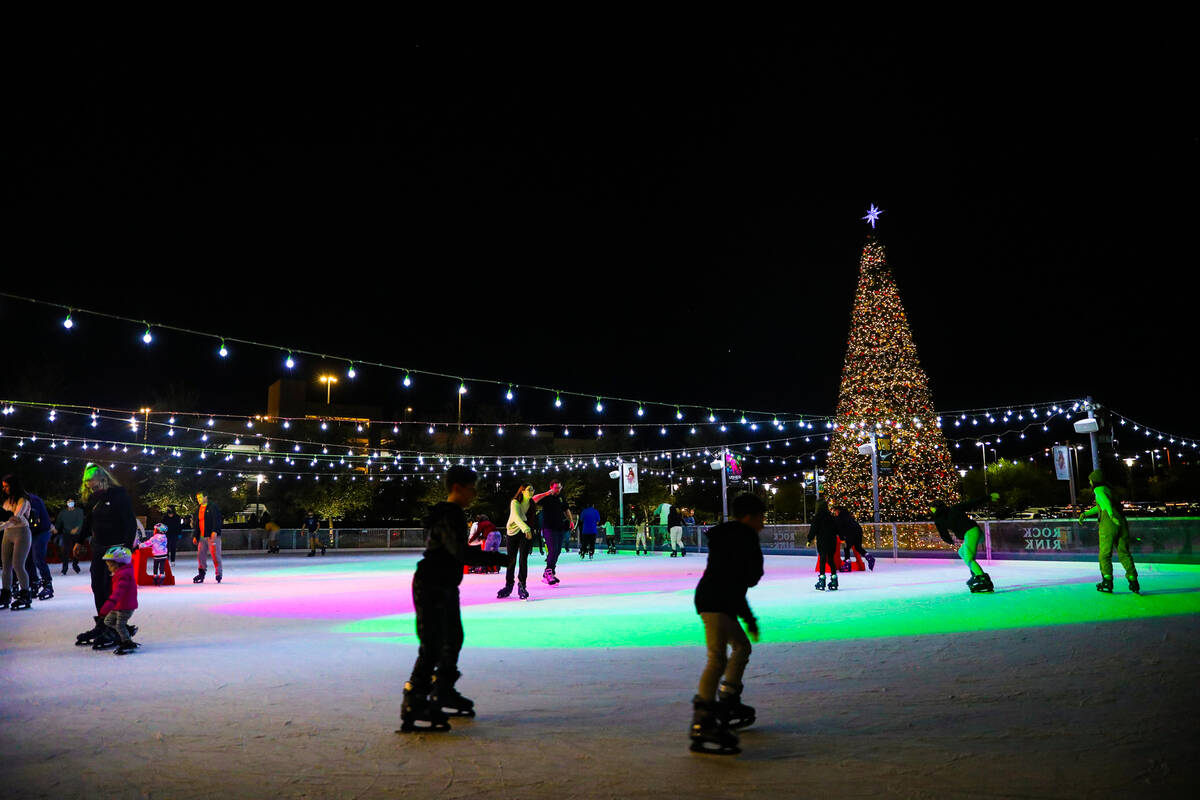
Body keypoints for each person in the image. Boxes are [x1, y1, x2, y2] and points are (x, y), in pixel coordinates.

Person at [400, 466, 508, 733]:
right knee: (433, 644)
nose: (475, 493)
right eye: (473, 487)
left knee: (452, 638)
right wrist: (498, 559)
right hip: (432, 583)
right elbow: (459, 553)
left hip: (443, 582)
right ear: (458, 487)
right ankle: (413, 701)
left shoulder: (451, 514)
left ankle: (443, 689)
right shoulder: (451, 515)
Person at [689, 493, 765, 756]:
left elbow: (738, 583)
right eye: (761, 517)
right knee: (717, 659)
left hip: (717, 600)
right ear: (750, 517)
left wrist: (749, 618)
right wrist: (749, 617)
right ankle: (704, 721)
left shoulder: (732, 536)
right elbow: (748, 578)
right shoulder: (744, 537)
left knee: (741, 647)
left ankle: (728, 698)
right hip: (716, 603)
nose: (763, 524)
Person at [74, 464, 138, 647]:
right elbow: (88, 521)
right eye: (85, 482)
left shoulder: (118, 494)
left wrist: (127, 548)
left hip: (116, 549)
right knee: (98, 586)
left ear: (102, 478)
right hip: (99, 547)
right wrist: (79, 541)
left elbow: (129, 522)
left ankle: (115, 627)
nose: (87, 485)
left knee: (112, 588)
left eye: (90, 481)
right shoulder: (93, 498)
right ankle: (104, 623)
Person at [1079, 470, 1140, 594]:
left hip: (1109, 524)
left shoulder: (1098, 490)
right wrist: (1086, 513)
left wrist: (1111, 516)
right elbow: (1101, 506)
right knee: (1124, 552)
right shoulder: (1109, 489)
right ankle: (1133, 579)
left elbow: (1105, 504)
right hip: (1122, 522)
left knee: (1105, 554)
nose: (1090, 482)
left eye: (1090, 480)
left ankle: (1107, 580)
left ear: (1094, 480)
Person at [931, 495, 995, 593]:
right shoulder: (954, 509)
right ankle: (975, 573)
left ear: (935, 509)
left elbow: (943, 533)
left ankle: (982, 579)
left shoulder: (939, 519)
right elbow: (972, 503)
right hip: (975, 531)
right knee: (962, 552)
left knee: (968, 558)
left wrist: (949, 541)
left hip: (970, 533)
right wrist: (988, 498)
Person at [97, 545, 139, 655]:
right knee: (108, 621)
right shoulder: (120, 573)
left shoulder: (124, 575)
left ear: (119, 564)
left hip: (125, 607)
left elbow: (117, 594)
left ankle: (127, 641)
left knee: (119, 625)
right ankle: (126, 631)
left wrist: (107, 607)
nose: (109, 567)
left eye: (110, 565)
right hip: (119, 606)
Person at [1, 474, 34, 610]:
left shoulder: (23, 500)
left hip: (22, 533)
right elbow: (5, 518)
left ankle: (25, 594)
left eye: (7, 486)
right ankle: (6, 594)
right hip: (7, 534)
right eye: (3, 487)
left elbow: (16, 518)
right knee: (6, 565)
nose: (5, 489)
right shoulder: (6, 501)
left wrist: (2, 526)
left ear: (13, 485)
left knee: (18, 565)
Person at [498, 484, 535, 600]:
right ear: (522, 491)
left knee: (523, 559)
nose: (532, 491)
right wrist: (527, 529)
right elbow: (516, 517)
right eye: (529, 489)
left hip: (524, 533)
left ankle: (522, 585)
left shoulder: (532, 503)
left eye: (533, 490)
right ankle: (509, 585)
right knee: (511, 560)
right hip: (513, 532)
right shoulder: (514, 502)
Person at [534, 483, 572, 585]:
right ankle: (549, 572)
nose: (558, 490)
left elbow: (566, 509)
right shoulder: (547, 497)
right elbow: (534, 499)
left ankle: (549, 572)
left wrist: (571, 520)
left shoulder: (561, 498)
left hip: (559, 528)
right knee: (553, 550)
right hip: (548, 528)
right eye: (556, 488)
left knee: (558, 551)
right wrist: (545, 494)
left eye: (559, 487)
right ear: (551, 487)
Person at [25, 490, 55, 599]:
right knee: (27, 558)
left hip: (41, 531)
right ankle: (34, 583)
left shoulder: (33, 500)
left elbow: (34, 520)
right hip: (30, 531)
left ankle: (47, 585)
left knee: (38, 557)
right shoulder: (21, 500)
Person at [807, 501, 840, 591]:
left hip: (822, 541)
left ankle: (822, 580)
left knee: (822, 559)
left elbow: (813, 529)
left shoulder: (817, 518)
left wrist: (809, 540)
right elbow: (837, 529)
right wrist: (842, 537)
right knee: (830, 559)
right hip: (832, 541)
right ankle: (834, 579)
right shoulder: (832, 517)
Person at [192, 491, 223, 583]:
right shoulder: (198, 509)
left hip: (212, 536)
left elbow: (217, 520)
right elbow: (197, 523)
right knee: (200, 555)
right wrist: (196, 536)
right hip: (202, 537)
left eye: (200, 498)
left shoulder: (213, 507)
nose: (199, 500)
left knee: (215, 555)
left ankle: (218, 573)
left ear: (206, 497)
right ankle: (201, 573)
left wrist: (215, 531)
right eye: (197, 498)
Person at [834, 505, 875, 571]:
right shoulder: (847, 515)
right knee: (857, 547)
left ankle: (847, 564)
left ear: (838, 511)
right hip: (858, 530)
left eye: (835, 511)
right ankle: (869, 557)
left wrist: (842, 539)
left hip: (850, 532)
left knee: (846, 547)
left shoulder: (839, 517)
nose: (835, 513)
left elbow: (839, 529)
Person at [55, 497, 84, 574]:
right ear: (66, 503)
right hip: (66, 533)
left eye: (72, 501)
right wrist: (56, 529)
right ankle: (64, 568)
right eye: (69, 501)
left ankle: (75, 565)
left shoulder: (79, 511)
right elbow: (58, 522)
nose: (70, 503)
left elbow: (81, 521)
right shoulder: (63, 512)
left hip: (77, 533)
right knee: (65, 551)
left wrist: (76, 529)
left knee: (76, 550)